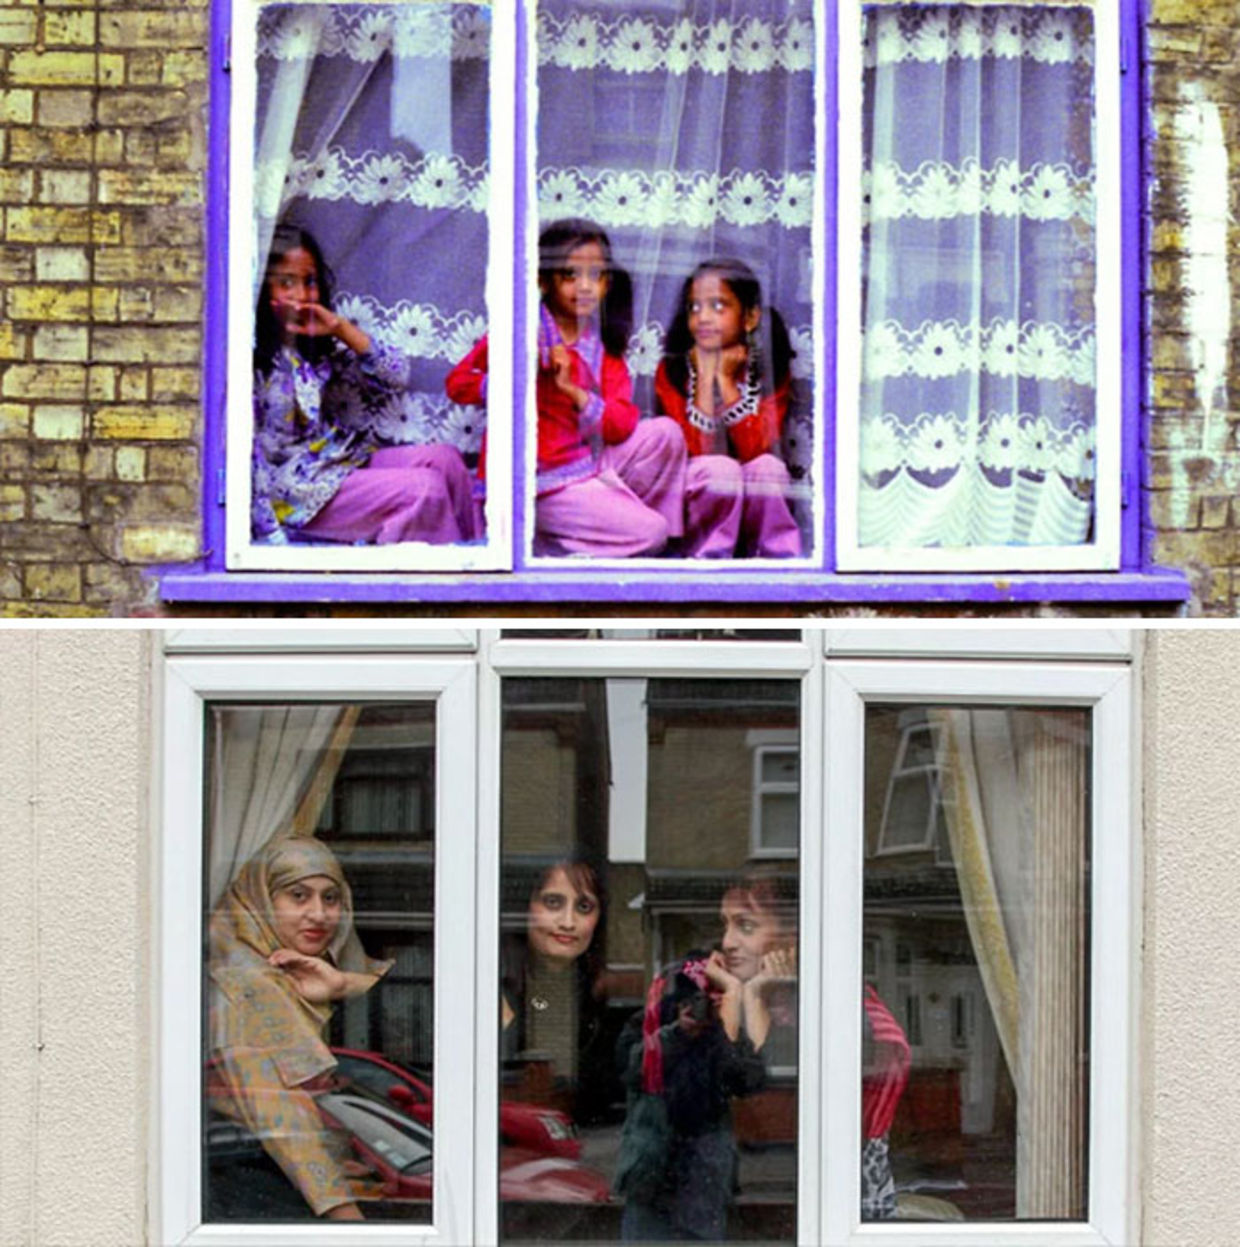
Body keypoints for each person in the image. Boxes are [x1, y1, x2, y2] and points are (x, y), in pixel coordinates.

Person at [447, 218, 685, 556]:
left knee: (666, 434)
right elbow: (458, 384)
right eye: (571, 275)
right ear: (544, 281)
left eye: (595, 275)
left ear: (607, 282)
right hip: (540, 483)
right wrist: (520, 371)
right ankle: (553, 548)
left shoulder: (602, 346)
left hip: (585, 463)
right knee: (650, 533)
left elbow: (621, 424)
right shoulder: (522, 330)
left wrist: (576, 393)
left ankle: (624, 529)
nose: (585, 286)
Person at [252, 223, 477, 545]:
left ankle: (475, 556)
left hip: (331, 463)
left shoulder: (311, 350)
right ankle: (445, 574)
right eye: (286, 283)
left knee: (445, 460)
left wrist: (340, 329)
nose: (301, 296)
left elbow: (395, 376)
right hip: (293, 493)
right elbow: (248, 457)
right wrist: (269, 535)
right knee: (423, 490)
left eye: (309, 282)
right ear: (263, 289)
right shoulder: (253, 360)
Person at [207, 835, 392, 1221]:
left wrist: (344, 985)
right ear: (261, 900)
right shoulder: (244, 989)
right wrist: (347, 1219)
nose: (319, 914)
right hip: (260, 1202)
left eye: (331, 898)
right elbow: (281, 1118)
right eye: (298, 896)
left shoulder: (300, 976)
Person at [615, 951, 767, 1242]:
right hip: (651, 1165)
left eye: (705, 999)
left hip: (704, 1168)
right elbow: (631, 1070)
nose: (697, 1008)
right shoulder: (649, 1023)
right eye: (689, 999)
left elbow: (750, 1080)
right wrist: (678, 1033)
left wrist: (723, 1029)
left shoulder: (722, 1031)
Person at [655, 257, 802, 558]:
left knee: (769, 469)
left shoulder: (768, 367)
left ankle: (775, 561)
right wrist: (705, 378)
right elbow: (695, 450)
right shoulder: (673, 371)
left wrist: (725, 381)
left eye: (718, 306)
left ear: (750, 318)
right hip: (697, 489)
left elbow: (757, 447)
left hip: (749, 485)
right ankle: (709, 562)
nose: (703, 318)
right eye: (695, 307)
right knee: (720, 470)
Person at [501, 854, 613, 1122]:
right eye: (553, 903)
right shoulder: (491, 983)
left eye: (584, 907)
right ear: (527, 907)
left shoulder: (593, 990)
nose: (567, 922)